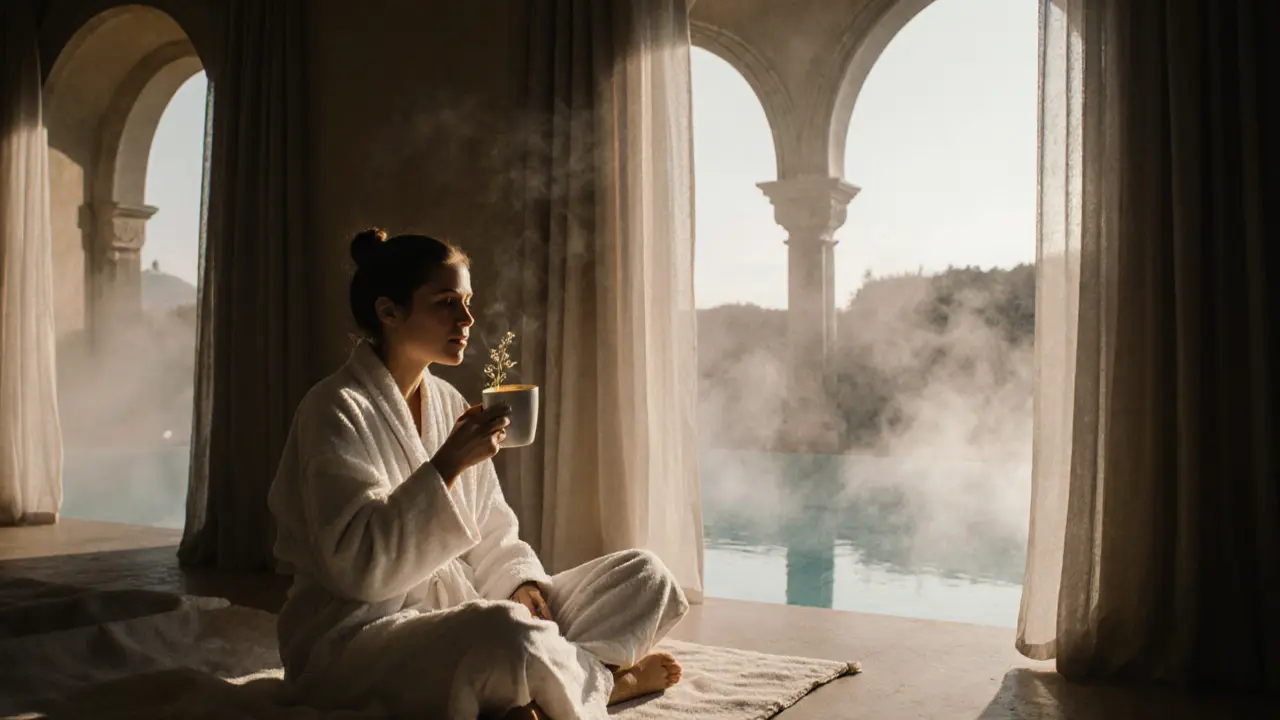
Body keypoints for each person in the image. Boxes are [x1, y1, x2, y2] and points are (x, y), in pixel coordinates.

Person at [267, 228, 688, 720]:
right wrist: (447, 464)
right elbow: (359, 570)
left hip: (460, 618)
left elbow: (492, 525)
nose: (467, 319)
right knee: (506, 634)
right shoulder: (334, 409)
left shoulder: (447, 401)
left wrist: (520, 584)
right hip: (357, 642)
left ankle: (541, 686)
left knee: (645, 576)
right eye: (447, 302)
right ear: (389, 312)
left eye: (467, 302)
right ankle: (603, 683)